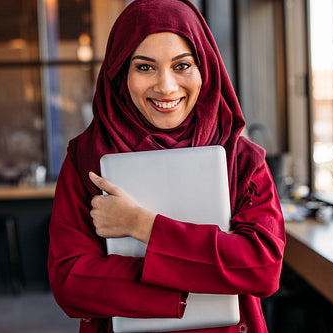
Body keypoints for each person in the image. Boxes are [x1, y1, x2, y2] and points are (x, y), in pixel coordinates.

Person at [47, 1, 285, 332]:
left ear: (205, 68)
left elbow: (263, 267)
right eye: (145, 67)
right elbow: (70, 281)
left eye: (182, 65)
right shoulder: (86, 159)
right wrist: (198, 281)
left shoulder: (242, 159)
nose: (166, 86)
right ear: (120, 74)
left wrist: (139, 224)